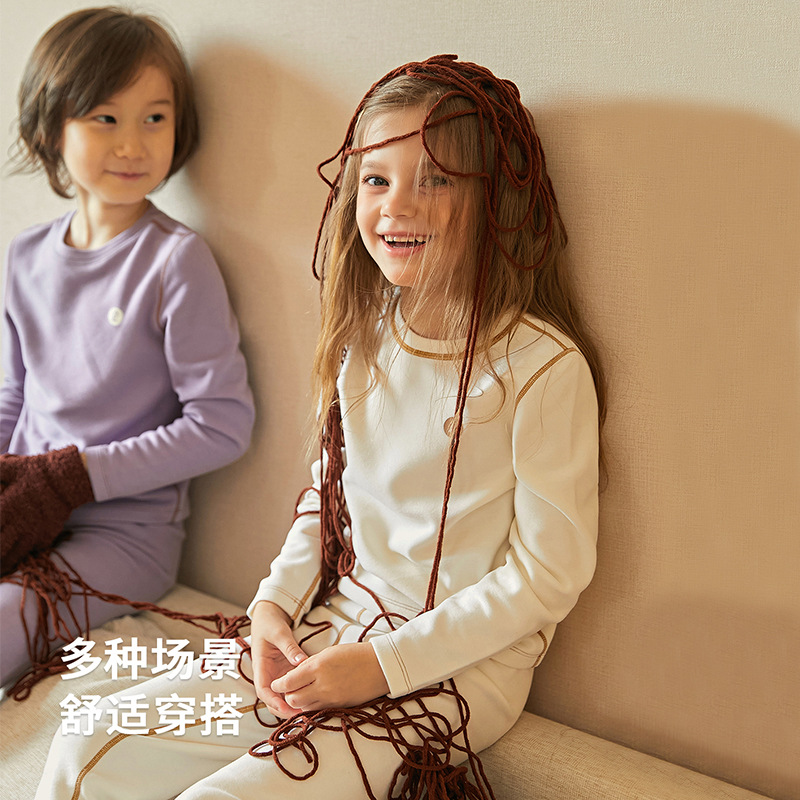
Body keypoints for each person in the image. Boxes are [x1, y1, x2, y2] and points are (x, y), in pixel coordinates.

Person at [35, 54, 605, 799]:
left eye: (436, 179)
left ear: (496, 196)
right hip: (334, 625)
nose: (398, 205)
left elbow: (547, 576)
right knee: (86, 741)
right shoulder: (363, 336)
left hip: (457, 675)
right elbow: (327, 496)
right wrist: (273, 606)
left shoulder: (542, 367)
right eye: (377, 179)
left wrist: (381, 667)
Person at [0, 7, 255, 689]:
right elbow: (13, 396)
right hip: (22, 504)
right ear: (51, 128)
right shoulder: (25, 255)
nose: (133, 144)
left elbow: (223, 425)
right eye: (105, 118)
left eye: (155, 118)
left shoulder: (175, 261)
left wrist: (72, 478)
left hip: (123, 538)